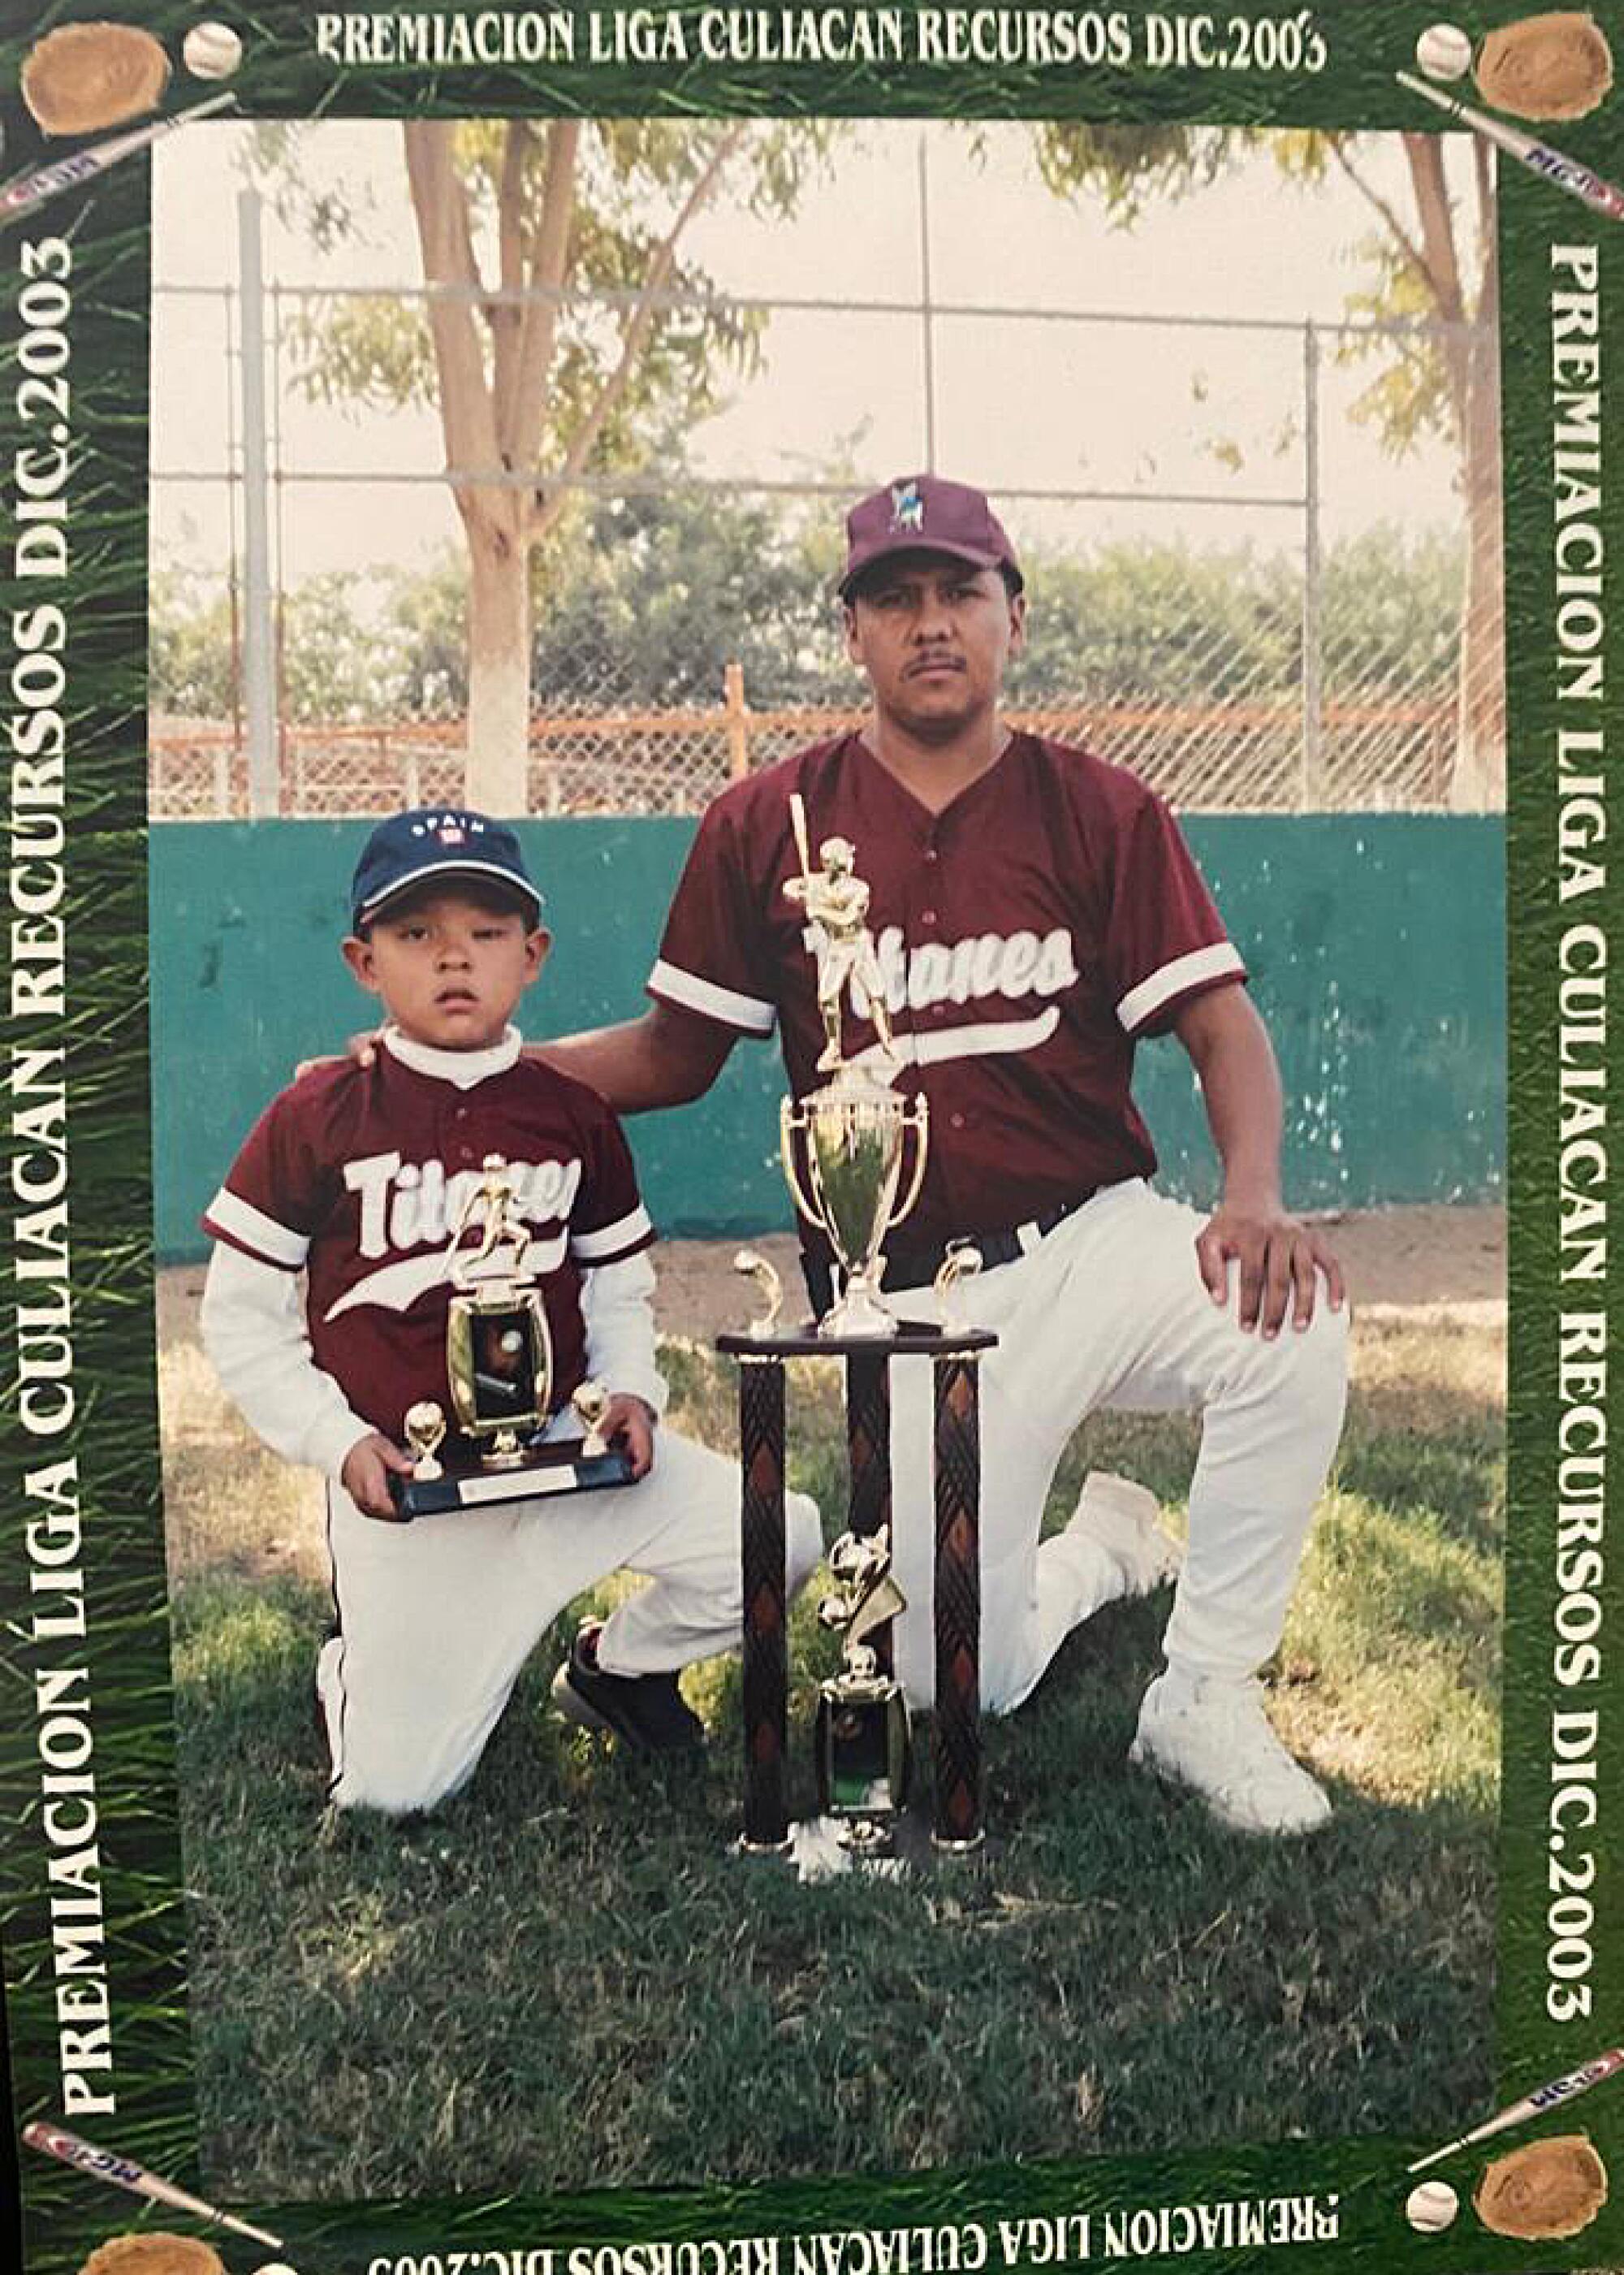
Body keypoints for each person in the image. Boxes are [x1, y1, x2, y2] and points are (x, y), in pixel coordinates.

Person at [525, 474, 1352, 1838]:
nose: (929, 624)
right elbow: (671, 1057)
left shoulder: (1099, 808)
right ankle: (1104, 1552)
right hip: (900, 1306)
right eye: (893, 597)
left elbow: (1220, 1025)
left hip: (1090, 1237)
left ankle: (1203, 1695)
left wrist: (1254, 1195)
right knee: (946, 1680)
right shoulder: (764, 826)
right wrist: (482, 1072)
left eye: (959, 591)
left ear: (1011, 618)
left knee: (1291, 1324)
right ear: (851, 632)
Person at [200, 807, 821, 1815]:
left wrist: (631, 1391)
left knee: (778, 1534)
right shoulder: (318, 1113)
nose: (454, 957)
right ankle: (355, 1668)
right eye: (415, 934)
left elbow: (616, 1282)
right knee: (393, 1796)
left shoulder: (570, 1109)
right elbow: (238, 1319)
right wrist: (337, 1443)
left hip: (561, 1458)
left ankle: (614, 1666)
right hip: (413, 1486)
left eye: (486, 932)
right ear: (364, 961)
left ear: (531, 956)